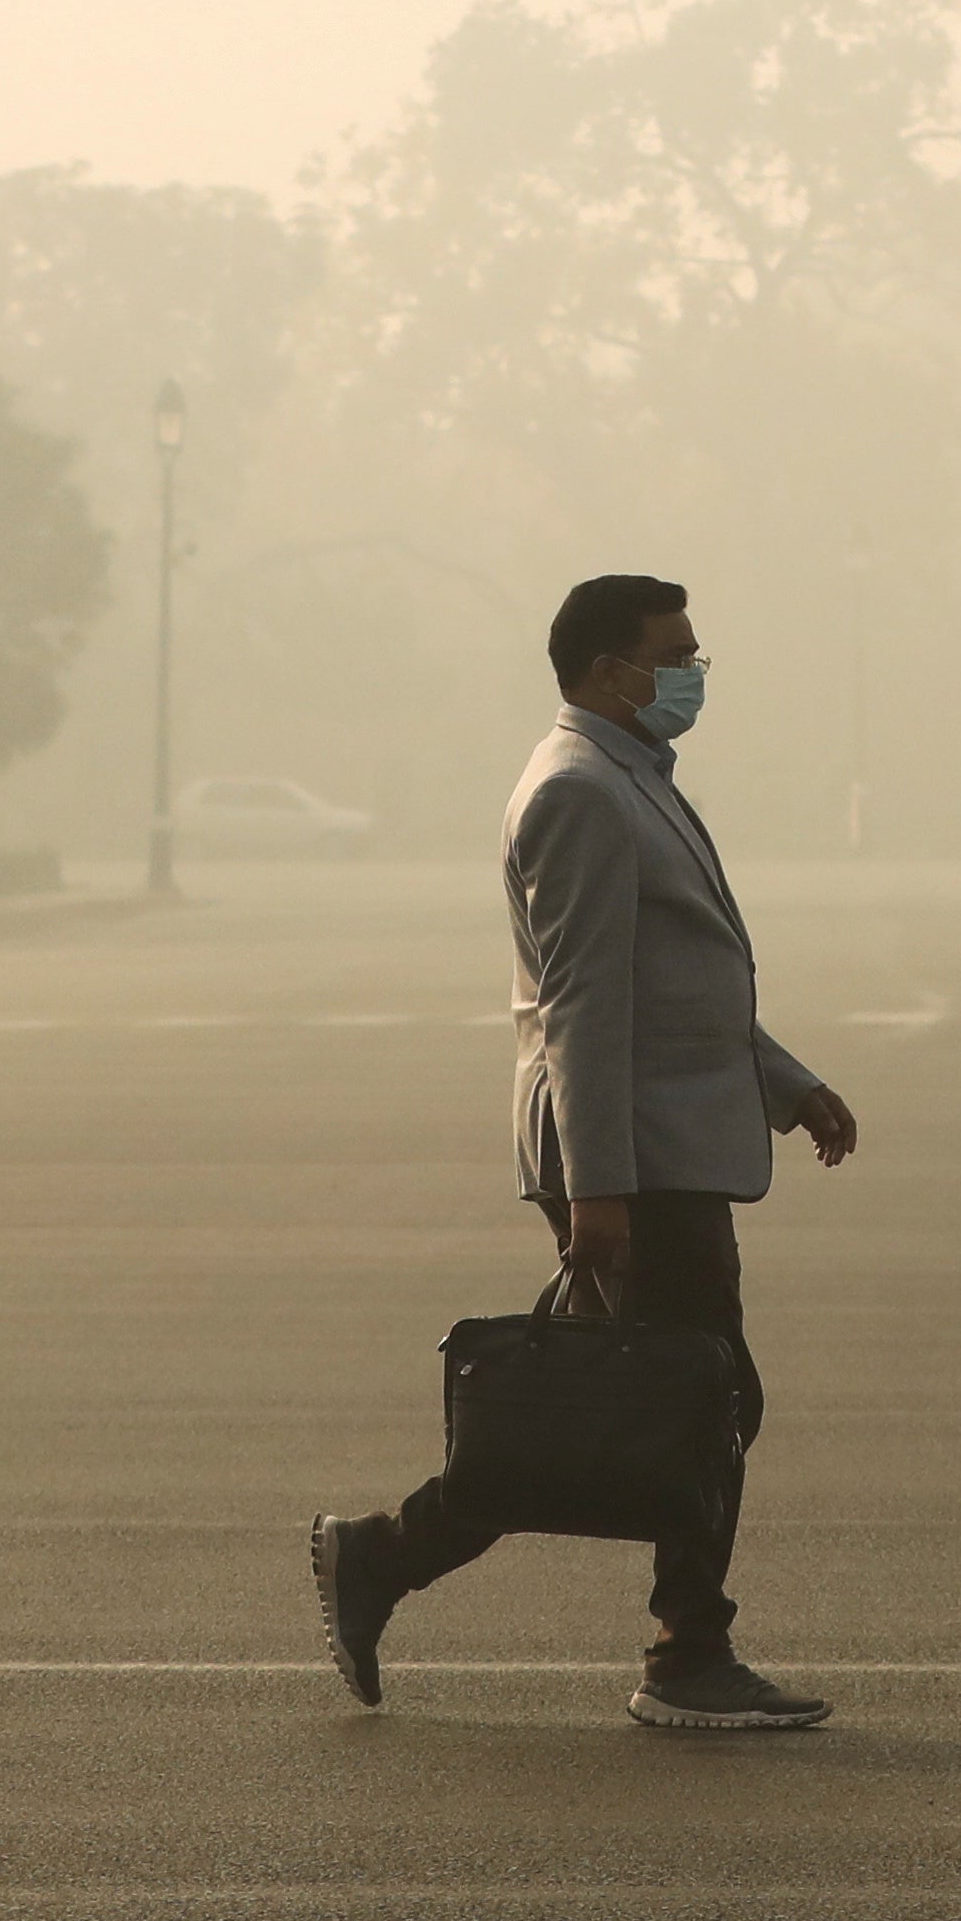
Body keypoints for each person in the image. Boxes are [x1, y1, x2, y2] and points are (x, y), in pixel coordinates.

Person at [310, 573, 860, 1731]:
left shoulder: (626, 778)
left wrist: (789, 1084)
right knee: (697, 1400)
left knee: (657, 1404)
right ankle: (684, 1648)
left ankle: (390, 1556)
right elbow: (583, 1007)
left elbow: (673, 985)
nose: (692, 674)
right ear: (611, 670)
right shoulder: (581, 794)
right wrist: (597, 1189)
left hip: (666, 1144)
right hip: (635, 1158)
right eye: (676, 655)